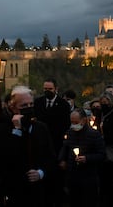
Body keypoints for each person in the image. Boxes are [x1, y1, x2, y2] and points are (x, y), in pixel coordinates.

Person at [0, 85, 56, 207]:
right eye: (24, 106)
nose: (28, 108)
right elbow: (6, 158)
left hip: (39, 189)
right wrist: (17, 130)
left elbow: (50, 156)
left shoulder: (41, 128)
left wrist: (40, 172)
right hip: (15, 189)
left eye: (30, 104)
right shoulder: (3, 129)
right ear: (13, 108)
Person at [34, 78, 71, 207]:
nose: (47, 91)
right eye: (45, 89)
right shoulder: (37, 103)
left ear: (56, 89)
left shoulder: (63, 105)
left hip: (57, 144)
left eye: (50, 89)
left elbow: (66, 125)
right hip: (41, 145)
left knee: (57, 177)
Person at [59, 108, 105, 207]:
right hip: (72, 175)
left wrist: (87, 158)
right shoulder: (70, 132)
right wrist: (62, 159)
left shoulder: (94, 134)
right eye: (71, 122)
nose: (73, 125)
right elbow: (65, 147)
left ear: (84, 120)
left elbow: (102, 155)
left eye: (76, 122)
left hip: (88, 177)